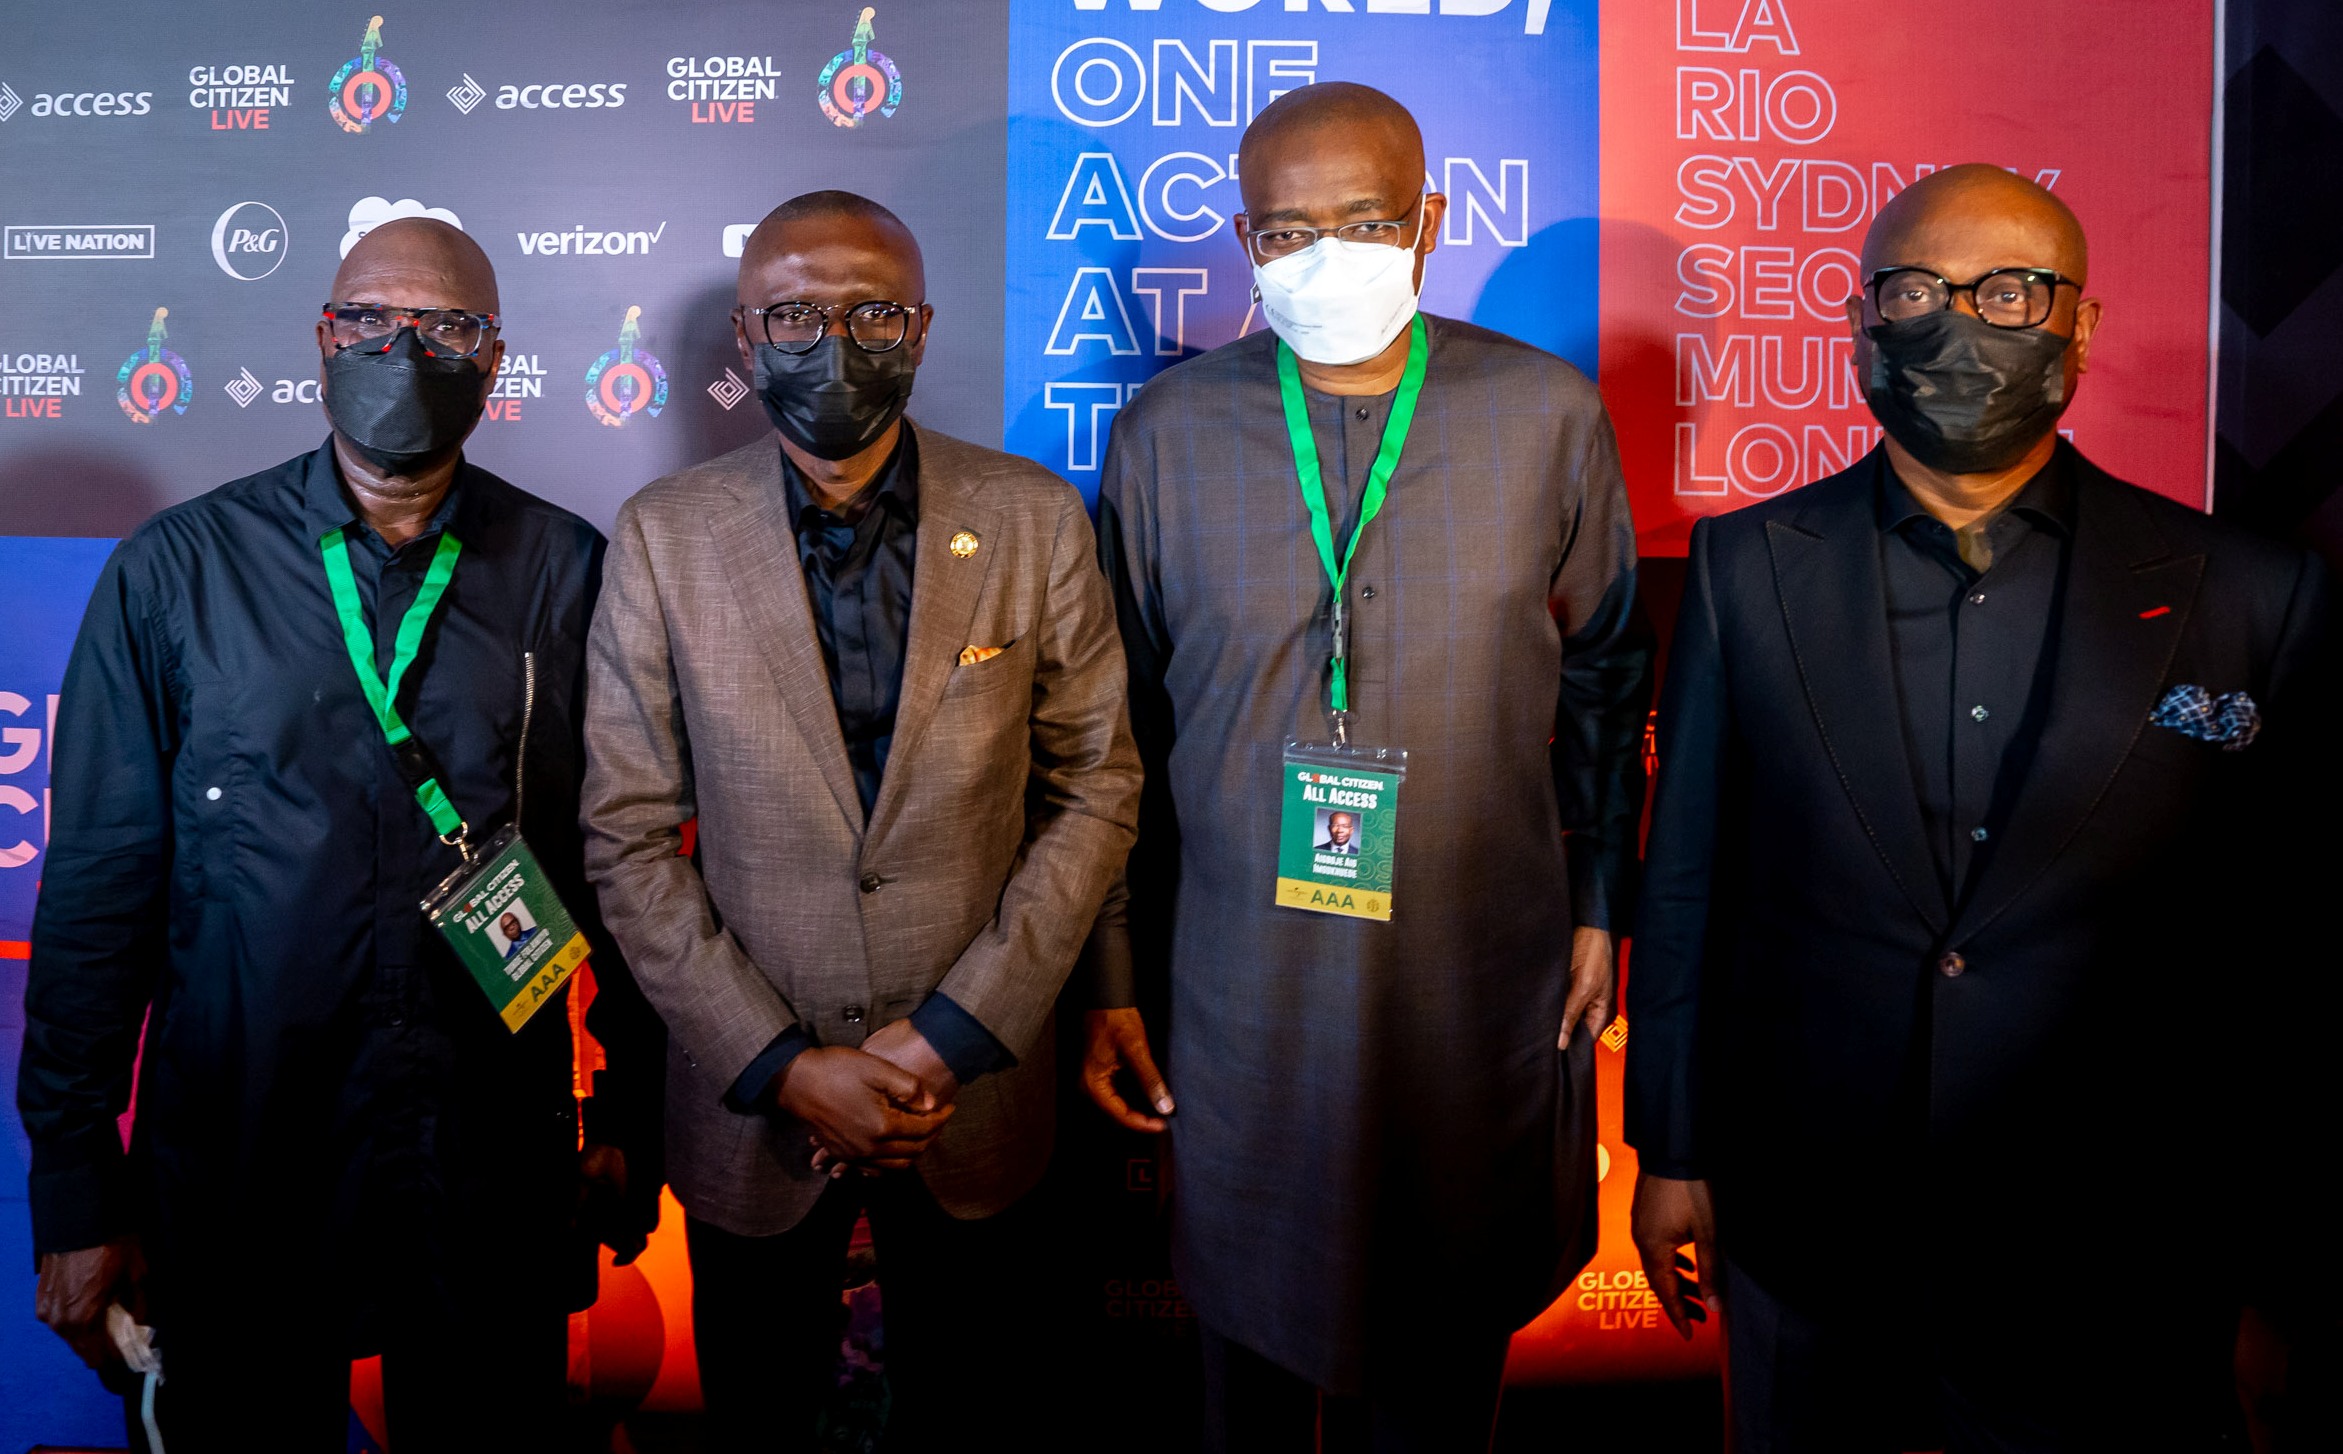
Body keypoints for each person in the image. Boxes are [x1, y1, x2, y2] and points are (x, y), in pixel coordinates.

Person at [1626, 164, 2336, 1451]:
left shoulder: (2252, 593)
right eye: (1917, 290)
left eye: (2010, 290)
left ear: (2081, 323)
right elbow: (1688, 882)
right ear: (1859, 321)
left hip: (2119, 1240)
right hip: (1813, 1224)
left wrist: (2277, 1259)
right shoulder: (1747, 566)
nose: (1961, 324)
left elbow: (2284, 955)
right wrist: (1670, 1146)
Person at [18, 218, 663, 1451]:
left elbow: (615, 866)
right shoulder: (179, 573)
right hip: (241, 1161)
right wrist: (76, 1184)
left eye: (447, 327)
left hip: (486, 1161)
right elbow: (99, 896)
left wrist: (632, 1114)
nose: (403, 349)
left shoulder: (569, 572)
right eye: (371, 320)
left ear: (495, 361)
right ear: (323, 339)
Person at [1080, 83, 1652, 1450]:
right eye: (1285, 230)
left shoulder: (1542, 415)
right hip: (1237, 983)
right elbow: (1111, 739)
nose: (1323, 253)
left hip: (1479, 969)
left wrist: (1596, 902)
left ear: (1431, 224)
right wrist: (1110, 973)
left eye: (1365, 220)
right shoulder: (1165, 433)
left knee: (1445, 1367)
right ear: (1241, 240)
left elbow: (1607, 673)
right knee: (1246, 1374)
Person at [581, 190, 1139, 1451]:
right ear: (744, 336)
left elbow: (1095, 784)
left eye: (872, 310)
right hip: (751, 1115)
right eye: (793, 313)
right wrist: (786, 1067)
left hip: (977, 1099)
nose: (832, 342)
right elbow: (623, 834)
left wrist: (954, 1032)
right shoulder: (664, 539)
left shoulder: (1034, 518)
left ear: (924, 327)